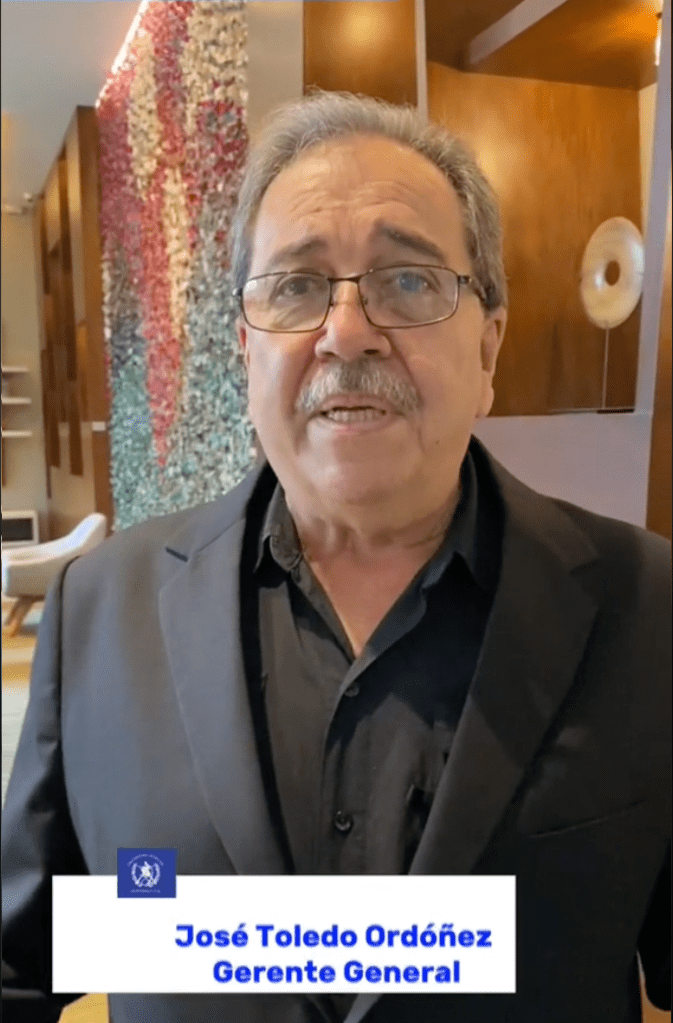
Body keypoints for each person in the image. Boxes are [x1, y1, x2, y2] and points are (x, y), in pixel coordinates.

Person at [2, 90, 670, 1023]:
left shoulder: (648, 609)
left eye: (409, 281)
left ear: (488, 346)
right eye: (295, 285)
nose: (347, 332)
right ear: (246, 352)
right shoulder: (101, 612)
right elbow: (26, 964)